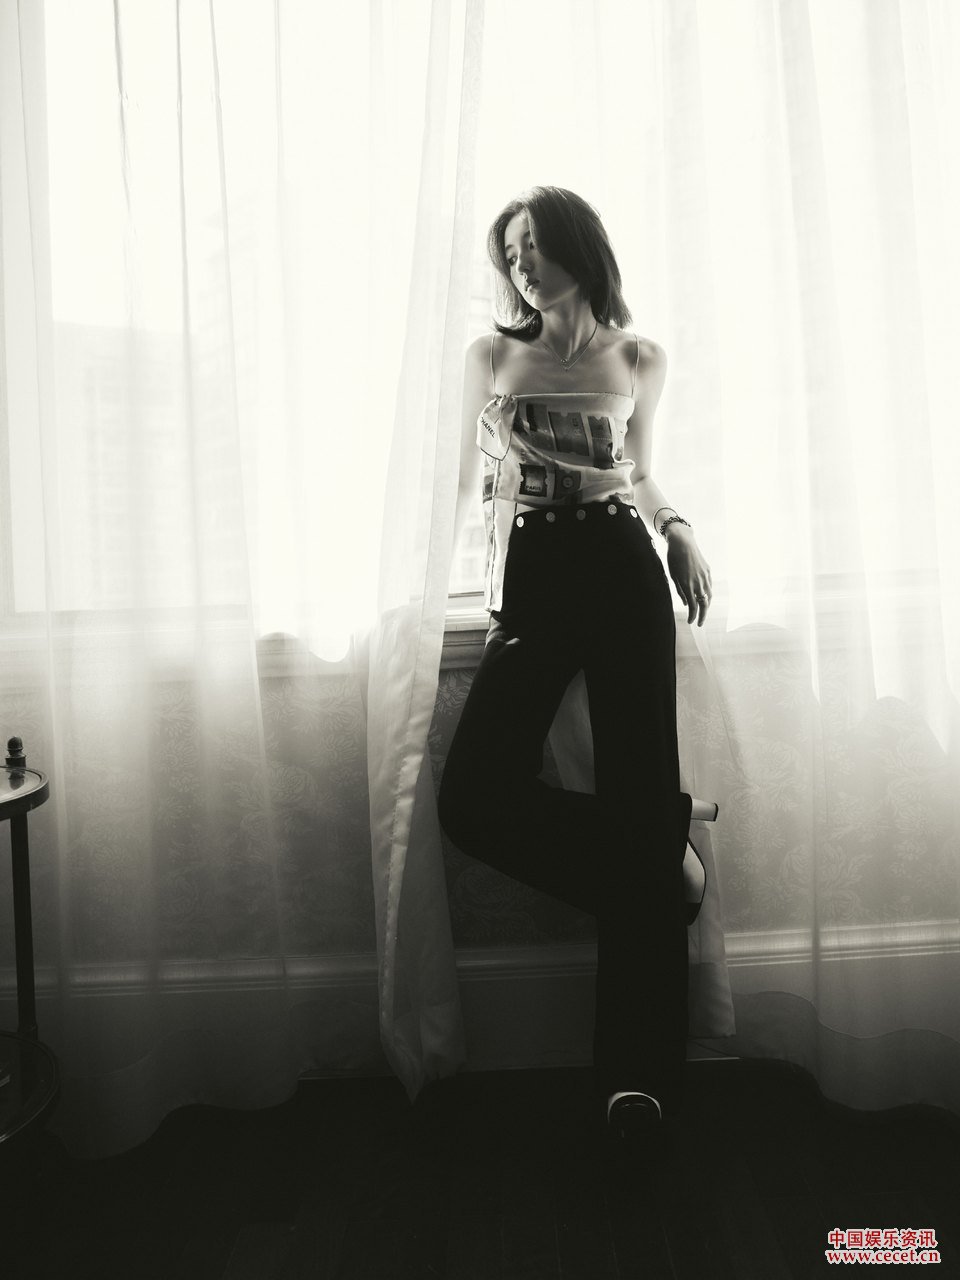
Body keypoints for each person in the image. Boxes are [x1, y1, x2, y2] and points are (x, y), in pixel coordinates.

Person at [438, 186, 713, 1137]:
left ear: (577, 246)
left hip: (622, 564)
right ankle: (662, 847)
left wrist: (677, 529)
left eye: (535, 245)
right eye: (510, 252)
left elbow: (637, 467)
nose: (521, 265)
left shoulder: (639, 357)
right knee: (473, 797)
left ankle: (637, 1080)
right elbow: (463, 481)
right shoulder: (491, 356)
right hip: (534, 569)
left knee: (637, 780)